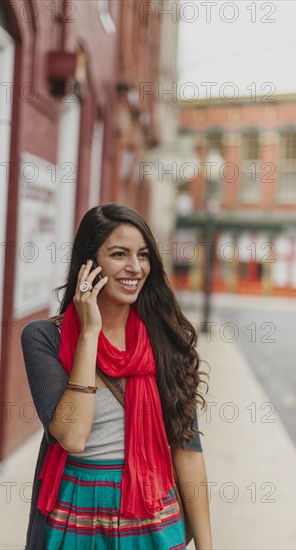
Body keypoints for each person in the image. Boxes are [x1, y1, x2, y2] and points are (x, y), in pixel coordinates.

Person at [21, 203, 213, 549]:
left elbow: (188, 448)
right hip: (76, 513)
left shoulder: (166, 339)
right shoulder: (44, 338)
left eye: (142, 255)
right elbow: (73, 436)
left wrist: (207, 547)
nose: (135, 267)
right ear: (88, 265)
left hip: (153, 513)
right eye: (119, 254)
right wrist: (89, 333)